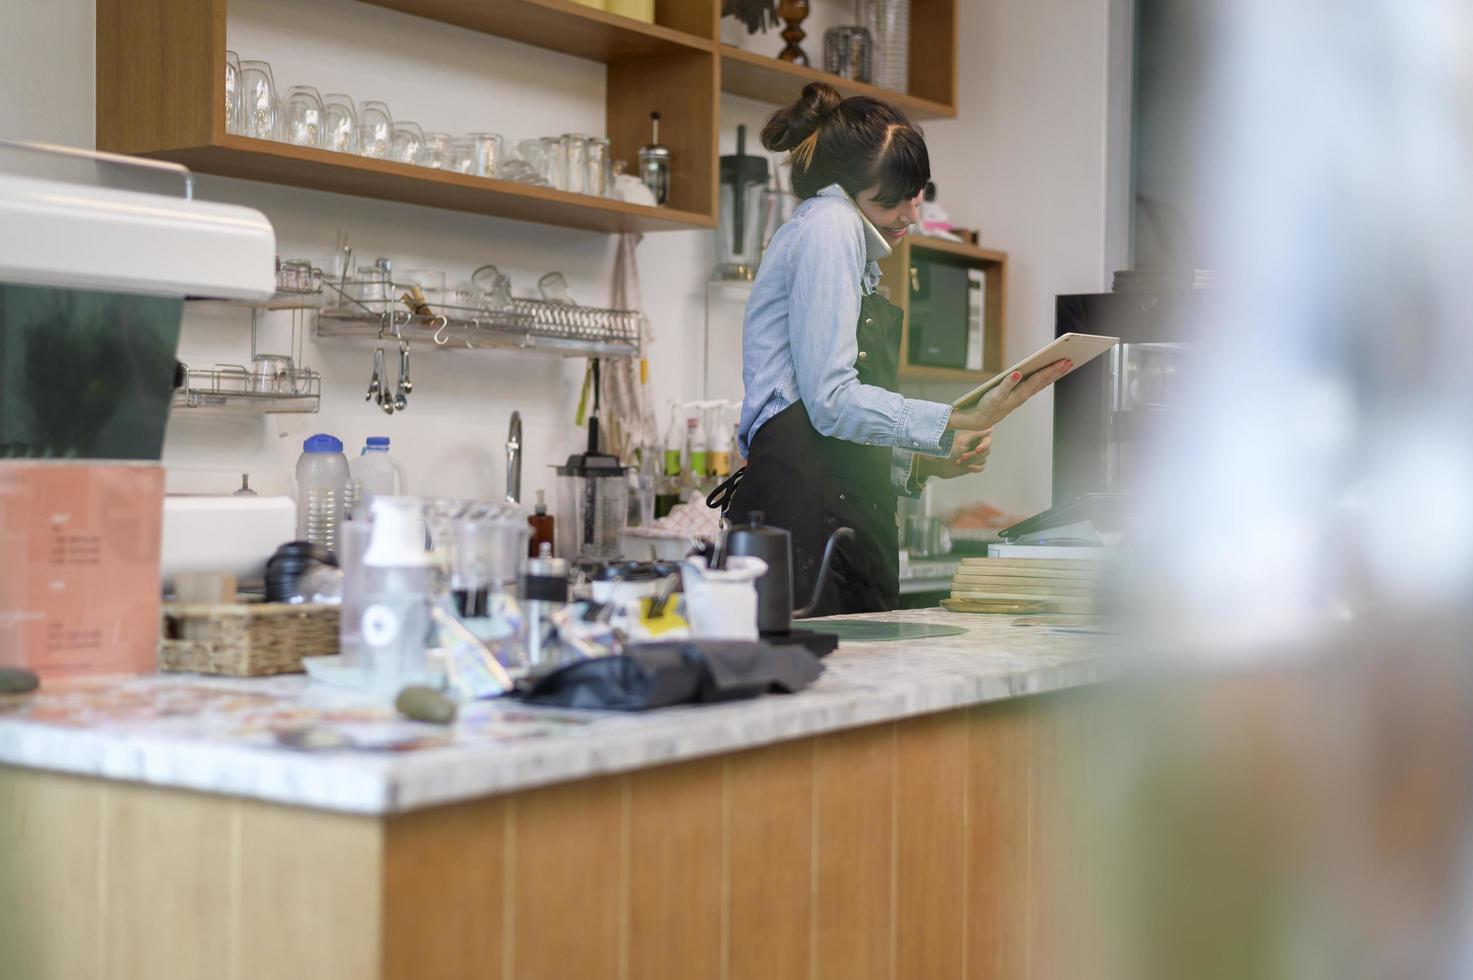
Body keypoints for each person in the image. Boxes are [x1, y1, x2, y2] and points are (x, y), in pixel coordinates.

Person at [712, 82, 1072, 616]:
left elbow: (829, 434)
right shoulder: (830, 225)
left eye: (917, 191)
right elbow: (830, 401)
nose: (912, 212)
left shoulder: (852, 247)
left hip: (828, 520)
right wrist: (950, 419)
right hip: (809, 526)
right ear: (847, 190)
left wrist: (921, 465)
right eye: (893, 198)